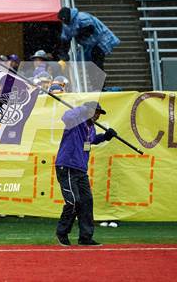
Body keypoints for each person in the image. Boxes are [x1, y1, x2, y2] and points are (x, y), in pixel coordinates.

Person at [55, 101, 117, 246]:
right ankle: (62, 232)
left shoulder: (91, 128)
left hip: (81, 170)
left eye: (98, 114)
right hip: (67, 167)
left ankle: (85, 237)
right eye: (95, 112)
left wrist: (106, 136)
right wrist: (84, 110)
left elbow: (92, 140)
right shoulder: (75, 121)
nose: (97, 116)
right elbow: (66, 116)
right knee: (73, 201)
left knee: (86, 202)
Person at [57, 7, 120, 71]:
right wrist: (64, 54)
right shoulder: (66, 26)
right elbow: (65, 41)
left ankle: (98, 77)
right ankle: (96, 77)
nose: (64, 22)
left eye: (64, 20)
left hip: (100, 39)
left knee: (97, 60)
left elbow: (90, 29)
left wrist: (77, 34)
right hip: (89, 44)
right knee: (91, 62)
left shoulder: (81, 17)